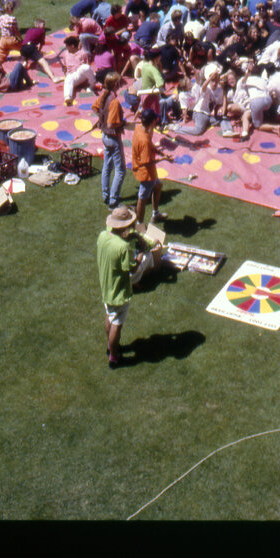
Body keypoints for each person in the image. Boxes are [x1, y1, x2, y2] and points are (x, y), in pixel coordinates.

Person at [97, 205, 142, 369]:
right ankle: (114, 357)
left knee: (110, 315)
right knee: (117, 323)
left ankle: (110, 347)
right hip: (119, 290)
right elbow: (132, 268)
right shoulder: (123, 247)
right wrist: (141, 254)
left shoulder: (103, 236)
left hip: (106, 286)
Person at [132, 106, 169, 225]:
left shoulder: (139, 129)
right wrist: (163, 158)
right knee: (142, 200)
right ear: (152, 122)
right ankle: (139, 225)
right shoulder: (145, 141)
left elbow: (149, 145)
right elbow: (147, 161)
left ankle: (155, 214)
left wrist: (159, 152)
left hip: (146, 171)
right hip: (146, 174)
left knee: (158, 186)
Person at [97, 72, 127, 209]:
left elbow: (96, 108)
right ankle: (113, 201)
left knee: (107, 167)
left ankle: (106, 195)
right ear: (116, 84)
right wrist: (122, 123)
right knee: (120, 170)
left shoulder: (104, 96)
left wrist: (102, 118)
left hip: (104, 136)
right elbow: (111, 124)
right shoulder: (114, 102)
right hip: (113, 138)